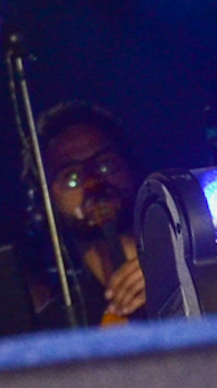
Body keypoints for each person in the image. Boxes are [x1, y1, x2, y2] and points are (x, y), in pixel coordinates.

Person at [30, 101, 147, 324]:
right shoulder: (56, 325)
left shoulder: (190, 267)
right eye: (72, 177)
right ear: (45, 200)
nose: (93, 183)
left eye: (106, 165)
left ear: (131, 166)